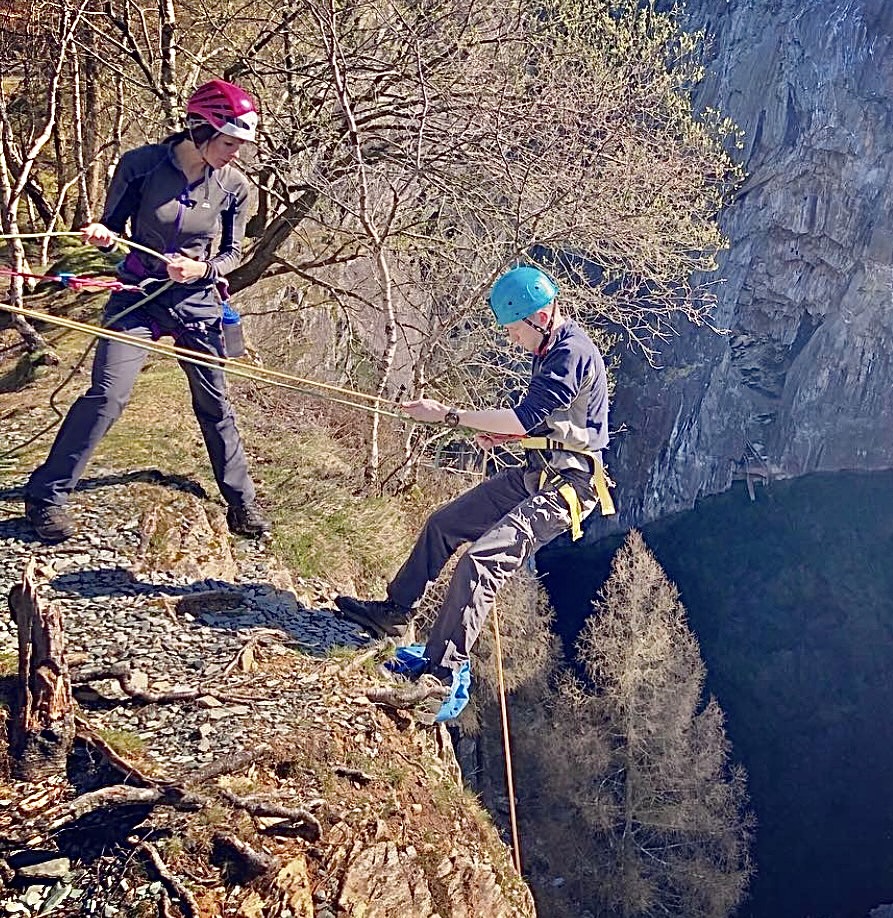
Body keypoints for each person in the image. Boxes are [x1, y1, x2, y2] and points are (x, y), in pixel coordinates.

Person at [336, 265, 613, 701]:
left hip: (566, 490)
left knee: (480, 562)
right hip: (537, 474)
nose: (510, 339)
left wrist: (449, 415)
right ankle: (394, 611)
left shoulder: (570, 354)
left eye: (512, 330)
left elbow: (526, 416)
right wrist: (510, 434)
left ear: (539, 318)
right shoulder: (551, 347)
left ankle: (439, 676)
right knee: (444, 525)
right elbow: (548, 421)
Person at [24, 79, 271, 543]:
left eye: (242, 145)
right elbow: (112, 227)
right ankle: (46, 496)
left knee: (214, 402)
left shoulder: (234, 187)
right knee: (108, 395)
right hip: (136, 295)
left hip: (196, 303)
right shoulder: (140, 166)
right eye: (229, 142)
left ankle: (241, 502)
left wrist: (202, 268)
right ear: (200, 129)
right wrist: (100, 235)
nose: (236, 153)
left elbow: (233, 254)